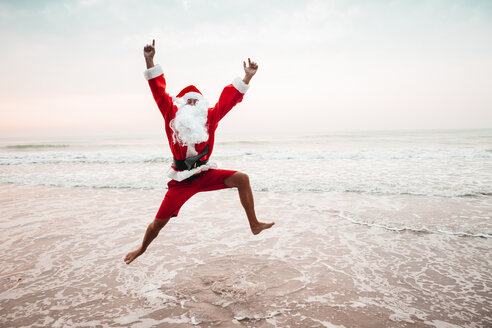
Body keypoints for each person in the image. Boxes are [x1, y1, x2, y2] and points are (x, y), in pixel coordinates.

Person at [124, 40, 275, 265]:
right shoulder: (172, 117)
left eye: (197, 101)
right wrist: (150, 61)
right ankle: (141, 248)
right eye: (189, 101)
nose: (193, 104)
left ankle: (254, 224)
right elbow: (159, 93)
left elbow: (228, 100)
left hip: (204, 175)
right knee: (158, 224)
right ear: (182, 105)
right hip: (181, 182)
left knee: (242, 179)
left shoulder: (210, 118)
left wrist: (247, 78)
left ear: (202, 105)